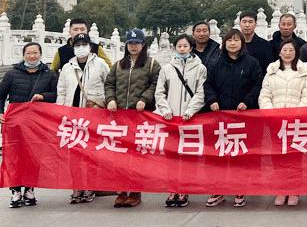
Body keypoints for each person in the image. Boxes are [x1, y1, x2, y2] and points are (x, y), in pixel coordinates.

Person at [203, 29, 264, 208]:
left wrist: (247, 101)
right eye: (229, 40)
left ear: (241, 43)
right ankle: (218, 190)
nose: (233, 44)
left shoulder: (251, 63)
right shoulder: (215, 63)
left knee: (240, 156)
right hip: (220, 117)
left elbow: (258, 84)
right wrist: (212, 100)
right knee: (218, 156)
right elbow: (208, 84)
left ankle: (240, 189)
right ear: (224, 43)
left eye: (236, 40)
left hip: (243, 117)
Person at [105, 28, 161, 208]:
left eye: (137, 43)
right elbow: (109, 84)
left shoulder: (151, 64)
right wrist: (111, 99)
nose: (133, 46)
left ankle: (135, 191)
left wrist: (144, 99)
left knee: (136, 156)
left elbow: (156, 85)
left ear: (143, 44)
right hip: (120, 116)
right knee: (119, 155)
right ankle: (121, 191)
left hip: (140, 117)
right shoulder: (118, 65)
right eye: (130, 43)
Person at [0, 42, 57, 208]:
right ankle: (15, 191)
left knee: (34, 156)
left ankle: (30, 190)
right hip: (15, 123)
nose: (32, 56)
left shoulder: (49, 74)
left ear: (40, 54)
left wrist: (43, 96)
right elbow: (1, 95)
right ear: (23, 55)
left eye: (35, 53)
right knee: (14, 157)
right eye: (29, 53)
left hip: (37, 124)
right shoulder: (12, 74)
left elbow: (55, 95)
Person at [259, 39, 307, 207]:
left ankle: (294, 190)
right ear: (280, 52)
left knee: (296, 158)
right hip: (276, 122)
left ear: (296, 52)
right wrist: (271, 113)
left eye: (291, 50)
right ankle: (281, 190)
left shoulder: (304, 71)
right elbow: (265, 95)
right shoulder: (272, 71)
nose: (288, 53)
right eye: (285, 50)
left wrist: (296, 114)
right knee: (278, 158)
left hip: (296, 123)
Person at [56, 33, 109, 204]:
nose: (80, 48)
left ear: (90, 47)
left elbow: (109, 86)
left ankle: (89, 186)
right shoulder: (67, 67)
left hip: (92, 115)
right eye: (77, 45)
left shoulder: (100, 64)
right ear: (73, 48)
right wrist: (60, 112)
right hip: (72, 116)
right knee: (74, 153)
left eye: (83, 44)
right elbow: (61, 90)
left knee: (90, 152)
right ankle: (76, 187)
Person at [154, 34, 207, 208]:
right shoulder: (167, 69)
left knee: (187, 155)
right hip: (171, 119)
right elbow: (159, 92)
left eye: (185, 46)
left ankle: (184, 189)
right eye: (179, 46)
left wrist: (191, 111)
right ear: (174, 48)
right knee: (171, 156)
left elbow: (201, 92)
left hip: (190, 118)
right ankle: (172, 189)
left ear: (191, 48)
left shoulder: (200, 68)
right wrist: (165, 110)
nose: (182, 49)